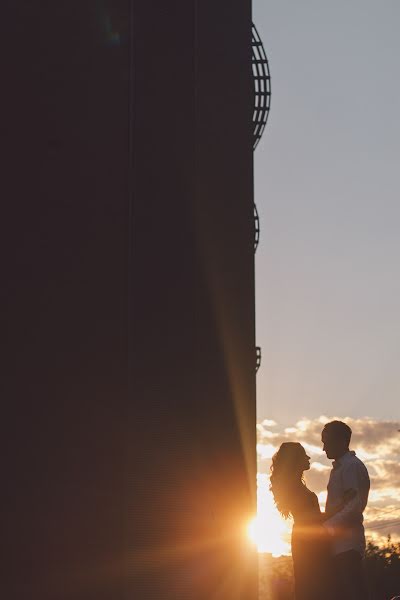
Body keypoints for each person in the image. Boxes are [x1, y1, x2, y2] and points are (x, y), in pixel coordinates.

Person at [270, 442, 351, 600]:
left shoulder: (296, 485)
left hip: (310, 539)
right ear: (294, 459)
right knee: (313, 585)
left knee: (316, 584)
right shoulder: (293, 487)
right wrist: (342, 505)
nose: (308, 457)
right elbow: (310, 519)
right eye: (303, 455)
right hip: (307, 542)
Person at [322, 420, 370, 600]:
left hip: (347, 546)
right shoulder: (341, 467)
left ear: (342, 441)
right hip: (338, 546)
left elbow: (354, 507)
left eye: (326, 442)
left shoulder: (351, 466)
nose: (323, 448)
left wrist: (326, 528)